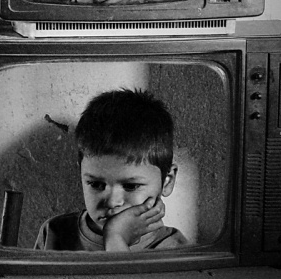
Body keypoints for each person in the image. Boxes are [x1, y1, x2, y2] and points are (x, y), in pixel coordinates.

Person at [35, 88, 188, 251]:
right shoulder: (54, 233)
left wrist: (116, 238)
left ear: (167, 181)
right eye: (96, 184)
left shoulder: (173, 249)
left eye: (131, 186)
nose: (112, 202)